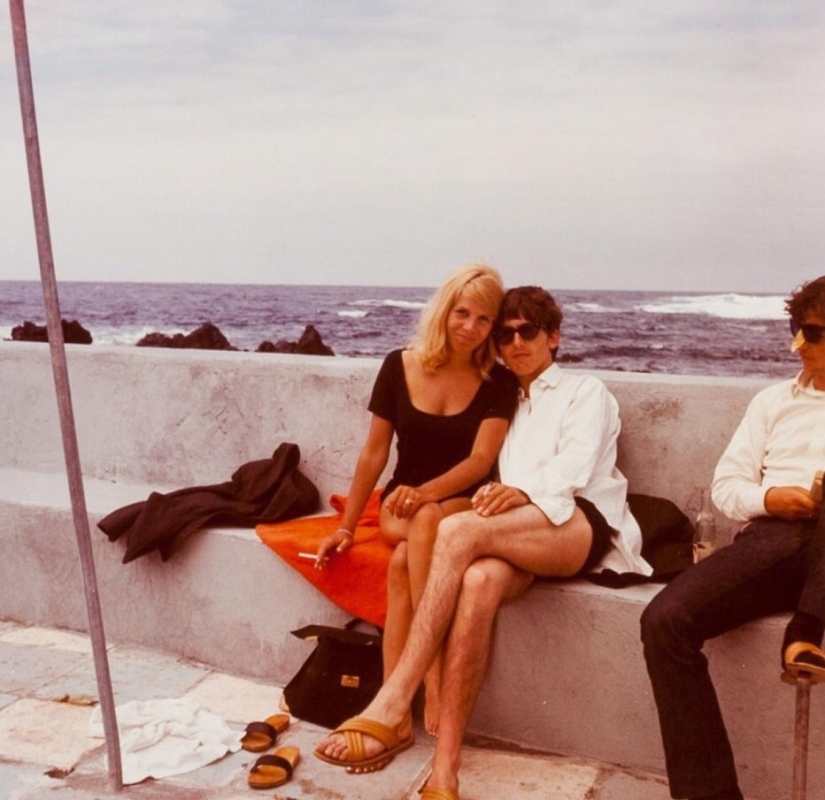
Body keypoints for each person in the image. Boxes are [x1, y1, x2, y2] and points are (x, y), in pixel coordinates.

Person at [315, 285, 651, 799]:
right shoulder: (502, 396)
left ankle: (394, 697)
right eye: (506, 334)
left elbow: (575, 467)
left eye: (528, 332)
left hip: (578, 524)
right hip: (514, 535)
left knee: (455, 530)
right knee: (474, 583)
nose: (516, 343)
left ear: (554, 338)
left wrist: (522, 492)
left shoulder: (585, 391)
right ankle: (445, 770)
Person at [314, 263, 519, 736]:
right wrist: (346, 526)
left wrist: (426, 493)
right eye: (462, 313)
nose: (470, 327)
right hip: (400, 505)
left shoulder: (499, 382)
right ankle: (427, 675)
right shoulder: (398, 365)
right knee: (417, 529)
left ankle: (402, 699)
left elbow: (481, 460)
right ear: (444, 311)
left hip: (463, 503)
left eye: (484, 319)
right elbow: (374, 453)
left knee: (405, 556)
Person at [640, 276, 825, 800]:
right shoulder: (772, 402)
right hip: (775, 541)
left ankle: (807, 629)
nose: (798, 345)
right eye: (795, 329)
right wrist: (771, 498)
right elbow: (726, 487)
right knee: (663, 621)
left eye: (813, 333)